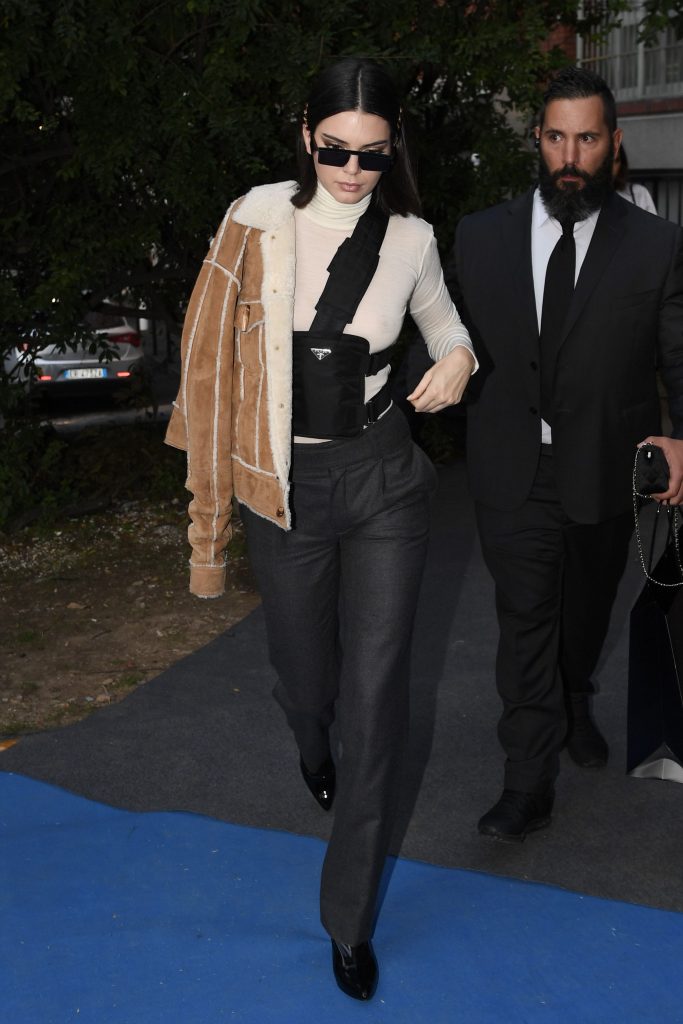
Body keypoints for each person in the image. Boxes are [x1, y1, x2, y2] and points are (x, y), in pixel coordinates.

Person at [165, 57, 475, 1000]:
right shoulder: (255, 220)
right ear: (305, 135)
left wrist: (458, 359)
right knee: (308, 679)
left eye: (371, 156)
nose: (350, 170)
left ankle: (347, 920)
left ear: (393, 150)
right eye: (334, 149)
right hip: (285, 487)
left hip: (384, 481)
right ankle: (310, 738)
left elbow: (446, 326)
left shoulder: (411, 239)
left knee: (377, 699)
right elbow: (206, 356)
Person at [445, 65, 683, 842]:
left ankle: (574, 693)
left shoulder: (655, 244)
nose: (569, 156)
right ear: (536, 139)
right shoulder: (479, 236)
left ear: (612, 143)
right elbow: (446, 338)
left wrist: (681, 439)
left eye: (585, 139)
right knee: (524, 620)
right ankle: (526, 782)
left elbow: (677, 354)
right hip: (510, 467)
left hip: (608, 467)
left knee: (582, 612)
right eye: (555, 138)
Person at [613, 143, 657, 214]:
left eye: (616, 161)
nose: (611, 167)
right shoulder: (592, 198)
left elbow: (652, 221)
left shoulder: (638, 193)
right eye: (606, 161)